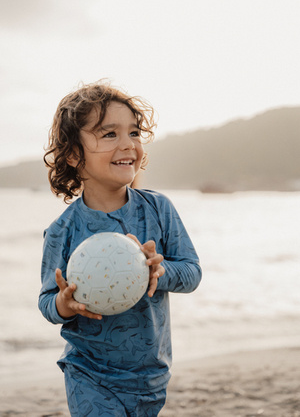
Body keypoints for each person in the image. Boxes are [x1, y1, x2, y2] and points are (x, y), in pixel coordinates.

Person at [38, 80, 202, 417]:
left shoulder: (158, 210)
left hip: (150, 376)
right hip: (89, 375)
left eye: (134, 132)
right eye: (110, 134)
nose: (128, 144)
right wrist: (65, 303)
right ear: (72, 153)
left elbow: (192, 271)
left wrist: (161, 270)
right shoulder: (62, 230)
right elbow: (47, 303)